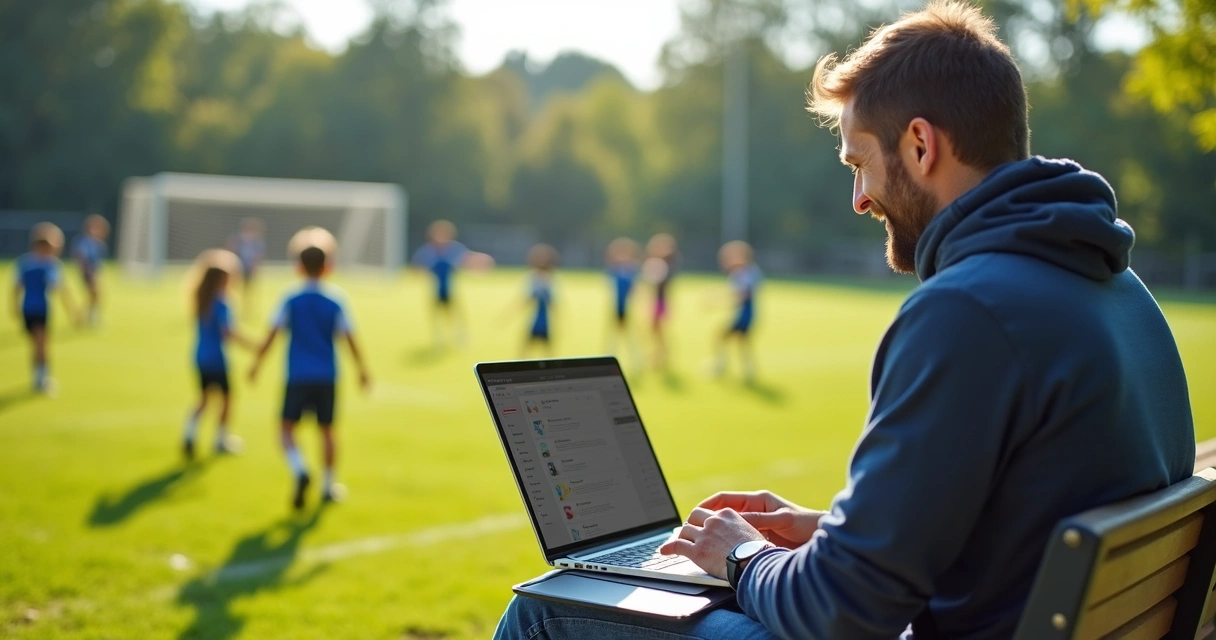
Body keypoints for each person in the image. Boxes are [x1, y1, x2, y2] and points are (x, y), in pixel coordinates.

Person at [492, 2, 1196, 638]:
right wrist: (831, 533)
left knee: (548, 612)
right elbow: (1012, 529)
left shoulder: (967, 312)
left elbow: (841, 613)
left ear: (920, 146)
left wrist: (740, 553)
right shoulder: (1118, 288)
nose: (859, 199)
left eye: (860, 163)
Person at [249, 227, 371, 510]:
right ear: (328, 265)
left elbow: (272, 334)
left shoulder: (290, 298)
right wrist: (362, 370)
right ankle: (329, 486)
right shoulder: (336, 299)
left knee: (286, 430)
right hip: (327, 375)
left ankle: (300, 469)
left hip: (298, 375)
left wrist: (257, 363)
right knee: (327, 431)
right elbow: (349, 338)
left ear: (298, 265)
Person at [183, 249, 254, 460]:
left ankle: (189, 432)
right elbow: (228, 332)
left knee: (204, 400)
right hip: (216, 360)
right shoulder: (222, 302)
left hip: (199, 357)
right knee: (227, 399)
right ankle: (221, 439)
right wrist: (252, 344)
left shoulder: (201, 299)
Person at [13, 223, 79, 394]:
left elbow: (16, 288)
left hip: (27, 309)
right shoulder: (49, 265)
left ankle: (39, 377)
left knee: (37, 344)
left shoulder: (24, 262)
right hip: (40, 309)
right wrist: (72, 310)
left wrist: (14, 306)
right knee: (42, 345)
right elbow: (58, 287)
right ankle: (41, 379)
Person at [411, 219, 494, 347]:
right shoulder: (429, 250)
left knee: (455, 312)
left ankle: (459, 335)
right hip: (436, 288)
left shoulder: (454, 248)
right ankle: (438, 338)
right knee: (436, 313)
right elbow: (418, 266)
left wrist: (480, 261)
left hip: (450, 288)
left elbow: (468, 258)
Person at [713, 240, 762, 382]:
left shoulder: (746, 273)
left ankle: (722, 365)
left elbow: (744, 295)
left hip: (745, 314)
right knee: (741, 342)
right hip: (743, 313)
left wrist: (717, 302)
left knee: (723, 337)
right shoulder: (742, 272)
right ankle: (748, 371)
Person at [641, 233, 679, 369]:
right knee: (655, 332)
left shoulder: (666, 265)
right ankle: (658, 356)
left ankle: (661, 357)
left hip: (660, 303)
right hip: (657, 302)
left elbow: (657, 282)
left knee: (658, 332)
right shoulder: (662, 264)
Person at [604, 237, 641, 365]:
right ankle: (609, 358)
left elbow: (634, 290)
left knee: (631, 336)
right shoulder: (614, 271)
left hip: (627, 308)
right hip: (616, 307)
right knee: (612, 336)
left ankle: (636, 361)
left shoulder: (630, 271)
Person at [519, 243, 558, 358]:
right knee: (525, 349)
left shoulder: (547, 279)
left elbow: (551, 302)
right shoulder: (534, 277)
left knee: (547, 352)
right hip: (535, 319)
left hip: (543, 321)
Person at [72, 213, 110, 326]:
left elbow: (99, 261)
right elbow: (81, 256)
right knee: (93, 295)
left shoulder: (98, 243)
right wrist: (87, 272)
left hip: (94, 272)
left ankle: (85, 317)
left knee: (94, 296)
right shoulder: (85, 242)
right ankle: (85, 318)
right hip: (87, 272)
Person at [227, 218, 265, 311]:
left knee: (248, 288)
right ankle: (233, 304)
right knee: (234, 287)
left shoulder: (257, 242)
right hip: (239, 267)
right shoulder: (239, 240)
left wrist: (255, 266)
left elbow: (259, 255)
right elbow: (232, 250)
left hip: (249, 268)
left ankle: (247, 306)